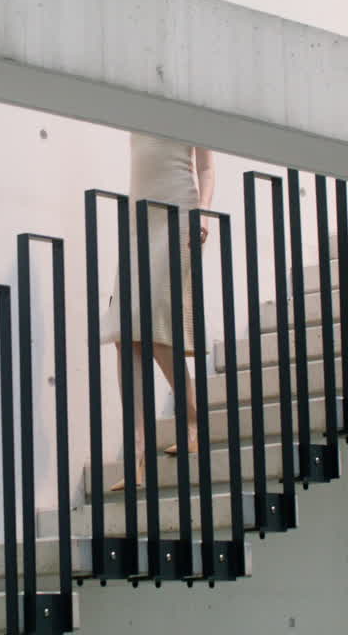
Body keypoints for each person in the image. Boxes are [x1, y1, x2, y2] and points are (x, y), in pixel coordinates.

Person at [101, 132, 216, 491]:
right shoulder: (136, 112)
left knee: (156, 324)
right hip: (140, 222)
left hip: (179, 215)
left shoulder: (190, 107)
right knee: (124, 335)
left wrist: (203, 213)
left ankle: (194, 419)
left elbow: (206, 166)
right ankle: (137, 453)